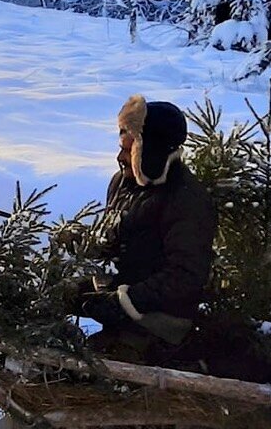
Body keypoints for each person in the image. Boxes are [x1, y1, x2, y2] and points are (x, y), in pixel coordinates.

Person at [69, 95, 218, 364]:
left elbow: (185, 275)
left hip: (161, 319)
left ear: (150, 152)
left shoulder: (186, 199)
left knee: (89, 365)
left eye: (128, 150)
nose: (119, 158)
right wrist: (80, 241)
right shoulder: (122, 183)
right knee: (50, 297)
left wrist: (124, 301)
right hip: (121, 293)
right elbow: (116, 241)